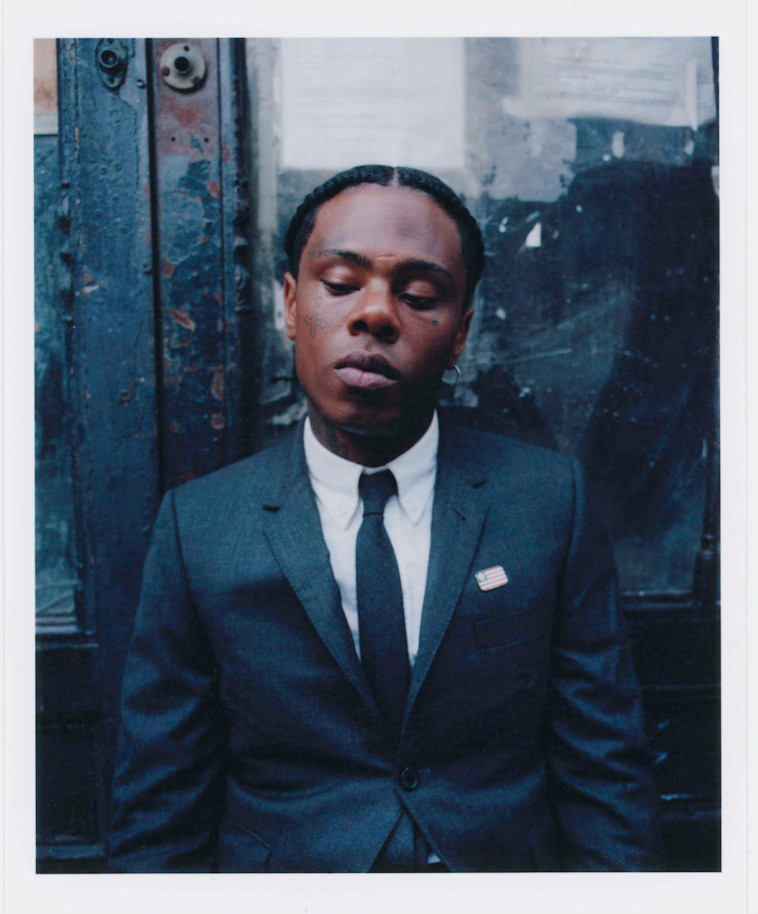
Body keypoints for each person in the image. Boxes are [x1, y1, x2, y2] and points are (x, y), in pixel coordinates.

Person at [108, 164, 661, 872]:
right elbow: (160, 807)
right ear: (290, 305)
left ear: (460, 334)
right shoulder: (201, 526)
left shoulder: (549, 503)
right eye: (340, 284)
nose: (375, 315)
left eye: (419, 296)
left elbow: (606, 775)